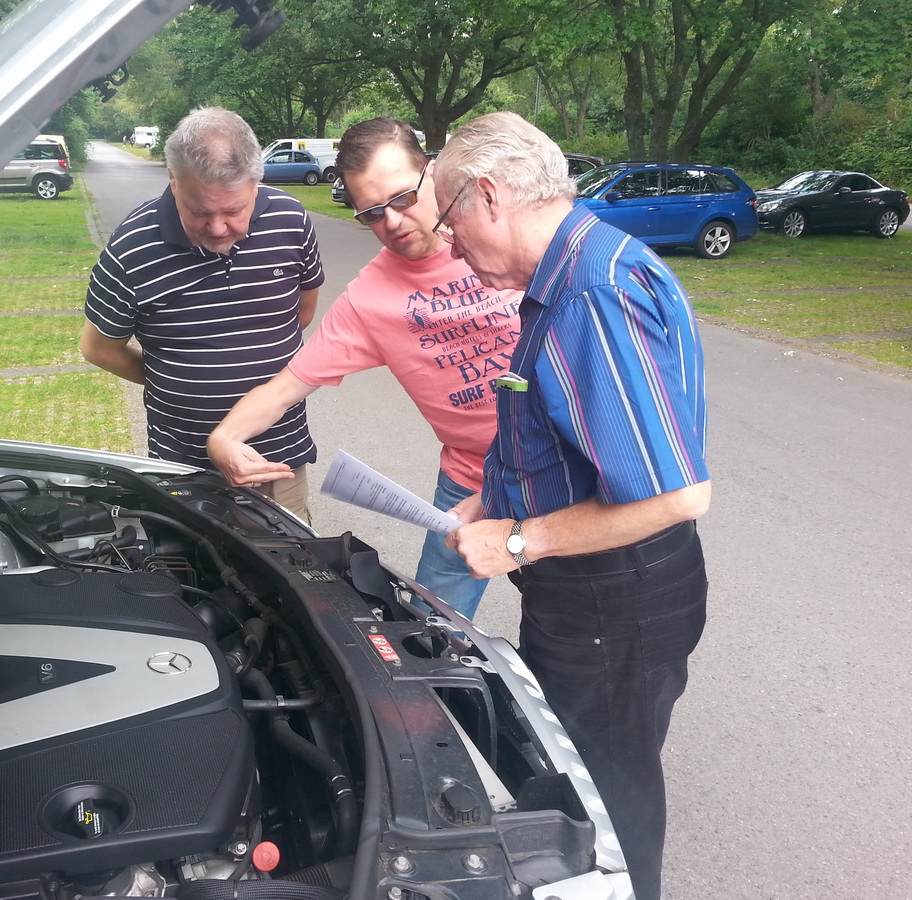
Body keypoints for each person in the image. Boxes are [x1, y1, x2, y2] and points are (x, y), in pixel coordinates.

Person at [432, 111, 711, 900]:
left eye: (451, 222)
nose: (448, 245)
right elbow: (571, 434)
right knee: (579, 783)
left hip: (614, 604)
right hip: (598, 598)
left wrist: (516, 543)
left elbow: (678, 494)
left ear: (488, 196)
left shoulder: (592, 294)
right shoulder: (578, 271)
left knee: (607, 806)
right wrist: (490, 497)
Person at [206, 117, 522, 619]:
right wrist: (223, 439)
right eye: (371, 213)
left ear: (433, 172)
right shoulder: (370, 299)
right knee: (436, 626)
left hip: (564, 468)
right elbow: (287, 385)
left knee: (576, 633)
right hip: (470, 479)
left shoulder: (502, 238)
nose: (392, 222)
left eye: (401, 198)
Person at [82, 107, 324, 521]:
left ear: (256, 182)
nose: (217, 228)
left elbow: (300, 313)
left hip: (277, 460)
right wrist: (172, 378)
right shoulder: (131, 246)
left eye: (233, 211)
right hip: (184, 466)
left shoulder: (292, 219)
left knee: (292, 572)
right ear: (173, 181)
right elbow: (99, 348)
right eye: (200, 211)